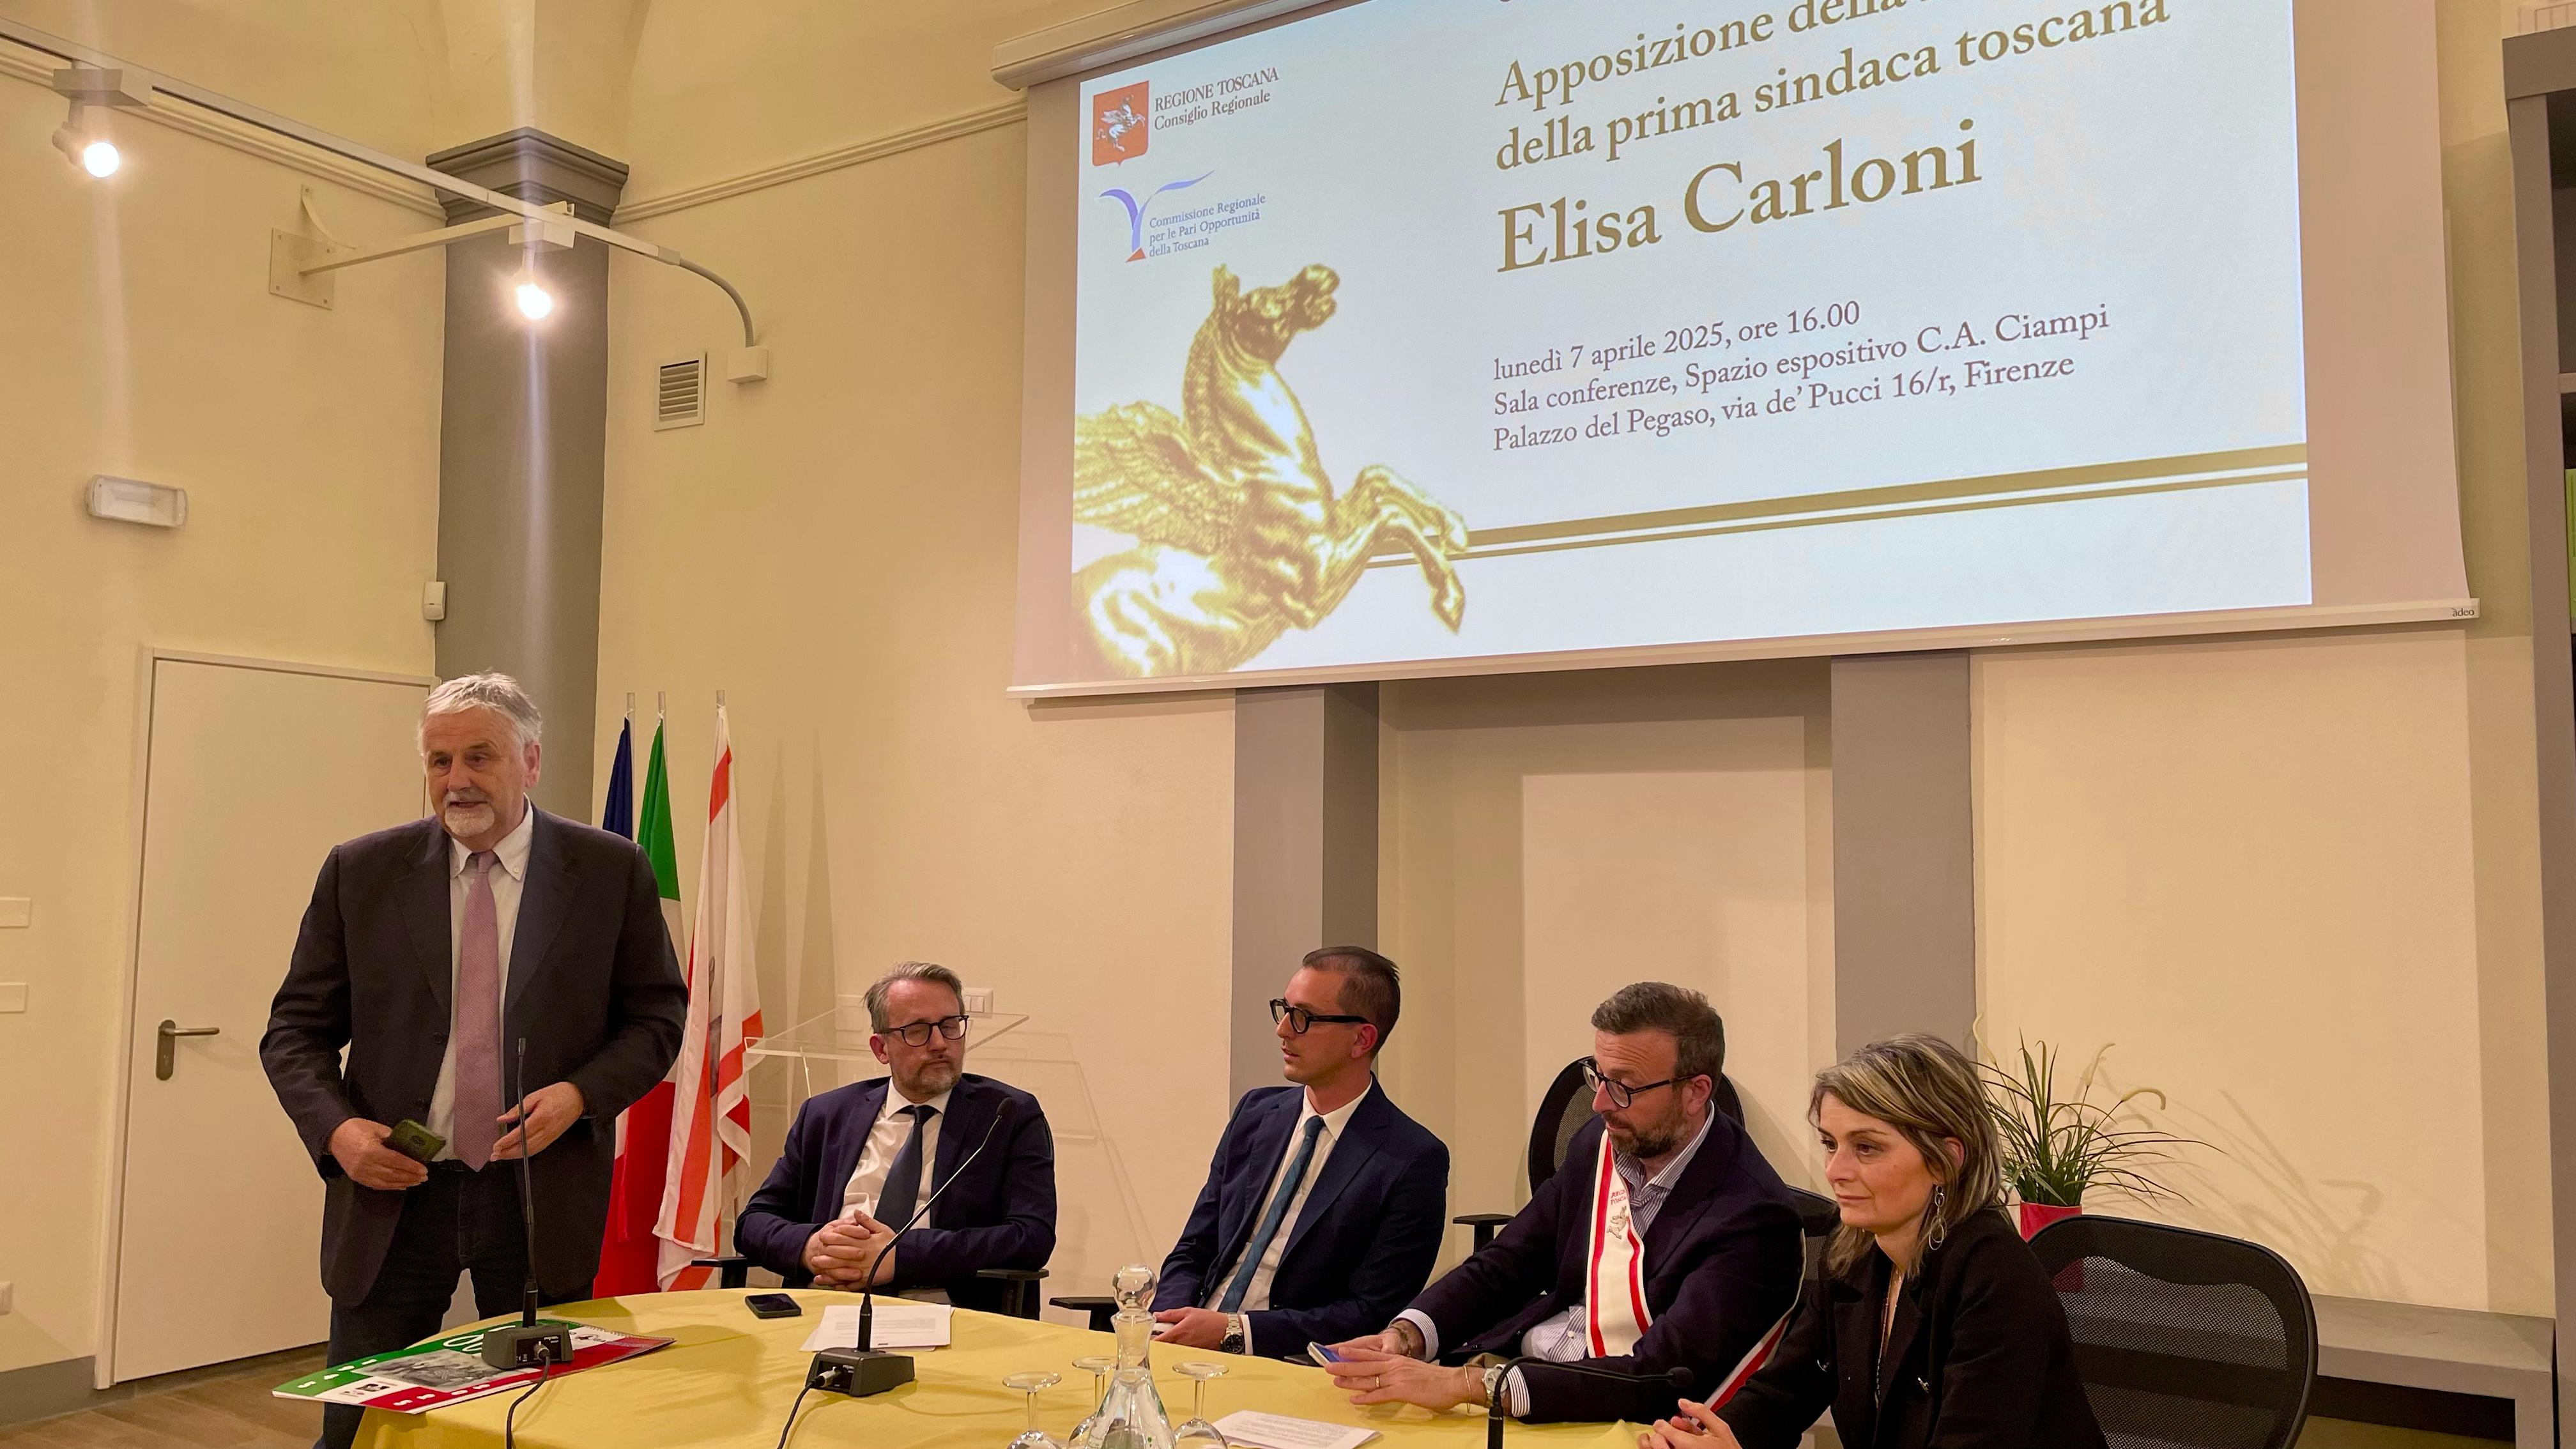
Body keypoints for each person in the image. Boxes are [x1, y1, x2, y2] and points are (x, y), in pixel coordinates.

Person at [260, 674, 687, 1449]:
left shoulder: (609, 870)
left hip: (538, 1194)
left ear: (531, 761)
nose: (456, 779)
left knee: (539, 1424)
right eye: (439, 760)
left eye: (479, 757)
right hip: (394, 1191)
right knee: (358, 1431)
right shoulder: (362, 871)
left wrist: (579, 1095)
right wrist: (339, 1133)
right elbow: (293, 1031)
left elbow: (656, 1020)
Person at [1322, 981, 1804, 1425]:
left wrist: (1470, 1386)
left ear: (1695, 1092)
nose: (1598, 1104)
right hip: (1515, 1373)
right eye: (1598, 1076)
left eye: (1624, 1086)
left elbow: (1662, 1377)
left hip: (1604, 1418)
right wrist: (1407, 1337)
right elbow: (1507, 1263)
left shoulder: (1752, 1217)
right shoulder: (1598, 1143)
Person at [1637, 1034, 2108, 1449]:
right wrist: (1714, 1438)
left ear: (1945, 1161)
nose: (1834, 1171)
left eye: (1866, 1148)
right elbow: (1785, 1391)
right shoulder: (1855, 1253)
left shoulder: (1996, 1277)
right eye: (1830, 1143)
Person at [1151, 947, 1450, 1357]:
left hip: (1284, 1360)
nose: (1283, 1030)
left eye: (1304, 1017)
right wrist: (1166, 1320)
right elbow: (1194, 1248)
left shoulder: (1411, 1159)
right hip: (1186, 1343)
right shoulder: (1256, 1113)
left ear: (1362, 1039)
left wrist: (1234, 1332)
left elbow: (1370, 1311)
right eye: (1284, 1009)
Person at [735, 962, 1055, 1307]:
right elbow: (753, 1222)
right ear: (881, 1049)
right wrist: (812, 1247)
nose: (939, 1044)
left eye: (950, 1026)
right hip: (825, 1303)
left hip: (940, 1310)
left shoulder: (1006, 1115)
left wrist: (900, 1257)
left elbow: (1030, 1237)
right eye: (917, 1031)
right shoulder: (827, 1114)